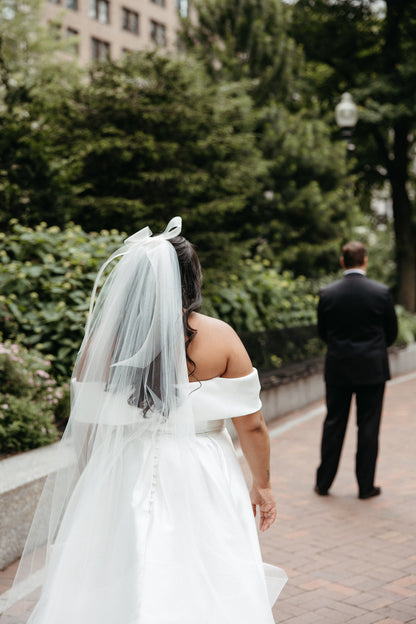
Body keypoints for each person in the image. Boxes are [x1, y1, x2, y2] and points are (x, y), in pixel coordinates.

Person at [1, 217, 286, 624]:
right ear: (189, 280)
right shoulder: (221, 337)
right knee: (208, 565)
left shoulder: (100, 344)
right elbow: (252, 425)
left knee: (116, 567)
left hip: (121, 468)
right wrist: (263, 484)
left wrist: (91, 483)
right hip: (201, 470)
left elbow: (87, 427)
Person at [315, 241, 398, 500]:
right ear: (365, 261)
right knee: (369, 426)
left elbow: (323, 333)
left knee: (334, 424)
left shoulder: (328, 293)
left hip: (338, 367)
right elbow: (391, 333)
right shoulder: (381, 292)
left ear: (343, 261)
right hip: (372, 370)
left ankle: (324, 483)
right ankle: (365, 487)